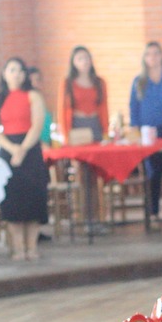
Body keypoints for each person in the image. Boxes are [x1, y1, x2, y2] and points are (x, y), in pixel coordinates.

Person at [0, 57, 49, 262]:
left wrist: (22, 148)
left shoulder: (34, 95)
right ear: (4, 74)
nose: (16, 74)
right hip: (8, 149)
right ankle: (18, 247)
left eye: (20, 70)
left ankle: (32, 246)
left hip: (30, 149)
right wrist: (12, 148)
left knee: (33, 196)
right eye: (12, 70)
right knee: (12, 199)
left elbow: (37, 125)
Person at [130, 41, 162, 230]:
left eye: (156, 53)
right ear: (144, 58)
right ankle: (153, 214)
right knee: (153, 174)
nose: (153, 57)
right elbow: (134, 109)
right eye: (149, 54)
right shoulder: (139, 81)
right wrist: (136, 133)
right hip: (148, 133)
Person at [58, 46, 109, 235]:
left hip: (95, 126)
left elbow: (104, 107)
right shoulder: (68, 83)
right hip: (78, 128)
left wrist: (105, 132)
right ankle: (85, 218)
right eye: (80, 58)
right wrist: (66, 135)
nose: (84, 62)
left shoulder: (99, 82)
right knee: (83, 175)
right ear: (73, 62)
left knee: (95, 176)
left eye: (86, 58)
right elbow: (62, 109)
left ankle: (98, 217)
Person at [26, 68, 53, 146]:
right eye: (31, 81)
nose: (34, 84)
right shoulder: (26, 101)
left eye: (37, 80)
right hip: (34, 146)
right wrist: (41, 144)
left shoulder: (42, 100)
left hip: (46, 143)